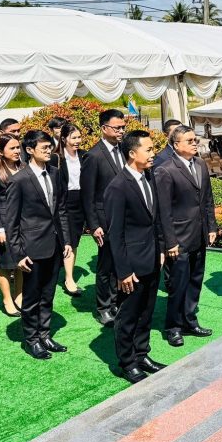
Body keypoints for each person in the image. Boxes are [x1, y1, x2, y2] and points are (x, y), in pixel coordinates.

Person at [104, 129, 168, 382]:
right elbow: (115, 234)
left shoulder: (149, 177)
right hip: (131, 265)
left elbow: (156, 219)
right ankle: (128, 362)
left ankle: (142, 354)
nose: (153, 154)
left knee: (146, 313)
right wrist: (123, 271)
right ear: (132, 153)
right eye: (148, 149)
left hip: (151, 259)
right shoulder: (117, 187)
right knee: (128, 316)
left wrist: (160, 250)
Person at [4, 130, 72, 360]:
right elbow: (11, 221)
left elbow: (61, 209)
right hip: (31, 247)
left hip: (54, 244)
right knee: (31, 297)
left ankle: (45, 334)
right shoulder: (19, 180)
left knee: (48, 294)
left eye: (50, 147)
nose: (48, 151)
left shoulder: (55, 172)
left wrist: (66, 240)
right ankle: (32, 340)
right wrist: (17, 253)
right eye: (44, 147)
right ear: (30, 150)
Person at [155, 123, 217, 347]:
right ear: (175, 144)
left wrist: (211, 227)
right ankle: (173, 327)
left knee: (195, 281)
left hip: (199, 235)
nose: (194, 144)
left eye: (195, 140)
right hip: (178, 239)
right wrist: (169, 242)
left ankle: (190, 320)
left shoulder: (200, 164)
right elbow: (163, 211)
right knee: (178, 285)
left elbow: (207, 199)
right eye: (189, 141)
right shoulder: (165, 170)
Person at [80, 108, 128, 326]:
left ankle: (117, 301)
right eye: (117, 128)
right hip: (104, 220)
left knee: (121, 264)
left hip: (125, 217)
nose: (121, 131)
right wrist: (93, 225)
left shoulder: (124, 150)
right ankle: (104, 307)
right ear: (104, 128)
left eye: (123, 127)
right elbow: (87, 194)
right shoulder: (94, 155)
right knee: (106, 267)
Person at [0, 133, 23, 316]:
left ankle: (20, 296)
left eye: (18, 147)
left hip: (23, 224)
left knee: (21, 263)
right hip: (4, 225)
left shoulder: (24, 168)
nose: (17, 151)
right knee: (5, 265)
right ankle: (7, 300)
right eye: (12, 148)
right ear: (1, 152)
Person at [53, 122, 87, 297]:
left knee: (74, 240)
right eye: (74, 138)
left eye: (79, 137)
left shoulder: (84, 156)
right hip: (62, 203)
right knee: (67, 240)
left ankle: (68, 275)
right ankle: (68, 278)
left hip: (80, 202)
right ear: (64, 139)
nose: (77, 141)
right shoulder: (56, 158)